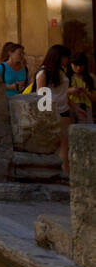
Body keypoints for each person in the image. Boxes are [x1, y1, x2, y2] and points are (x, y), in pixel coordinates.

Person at [37, 44, 72, 175]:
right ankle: (63, 173)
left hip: (64, 111)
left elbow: (63, 93)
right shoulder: (44, 72)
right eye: (65, 57)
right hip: (52, 113)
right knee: (58, 146)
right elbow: (41, 95)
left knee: (65, 145)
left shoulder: (61, 71)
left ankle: (65, 172)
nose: (67, 60)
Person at [69, 51, 93, 124]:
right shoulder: (66, 77)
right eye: (76, 65)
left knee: (87, 130)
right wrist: (71, 90)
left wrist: (86, 92)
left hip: (86, 106)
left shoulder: (90, 78)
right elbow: (59, 92)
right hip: (71, 106)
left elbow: (94, 97)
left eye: (81, 65)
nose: (79, 68)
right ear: (71, 64)